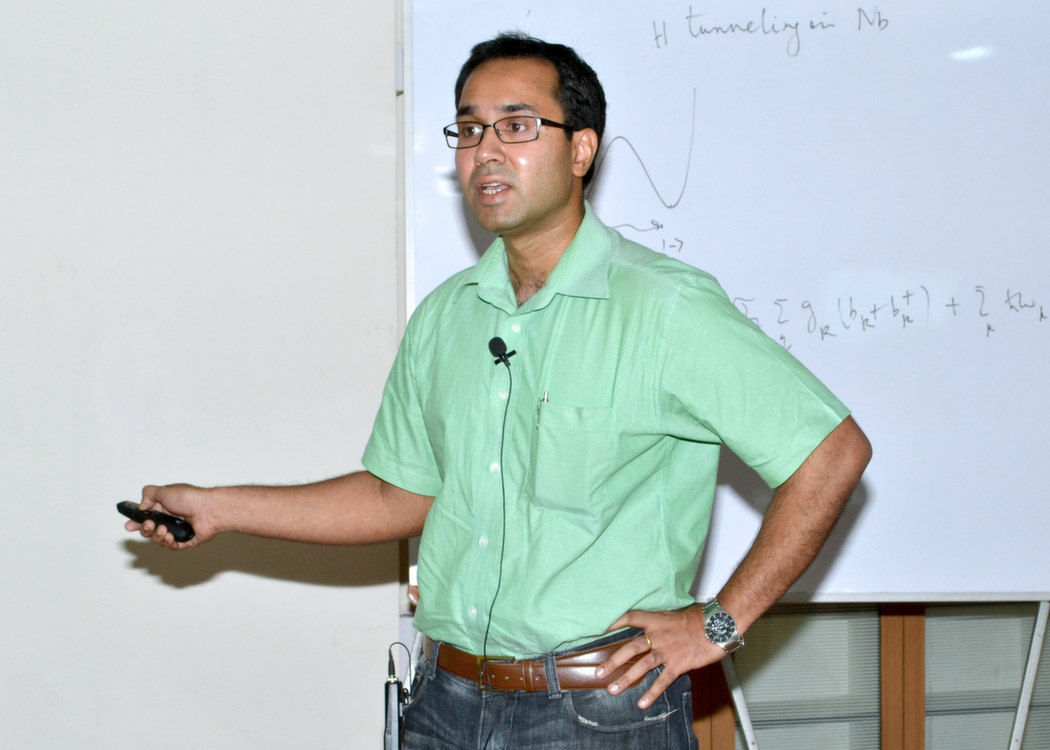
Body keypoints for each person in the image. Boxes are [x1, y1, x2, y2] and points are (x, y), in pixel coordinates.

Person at [127, 33, 871, 749]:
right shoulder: (446, 316)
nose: (485, 150)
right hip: (444, 702)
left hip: (599, 715)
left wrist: (718, 624)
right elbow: (397, 496)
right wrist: (221, 508)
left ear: (581, 150)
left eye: (516, 126)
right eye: (469, 129)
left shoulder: (665, 308)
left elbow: (832, 453)